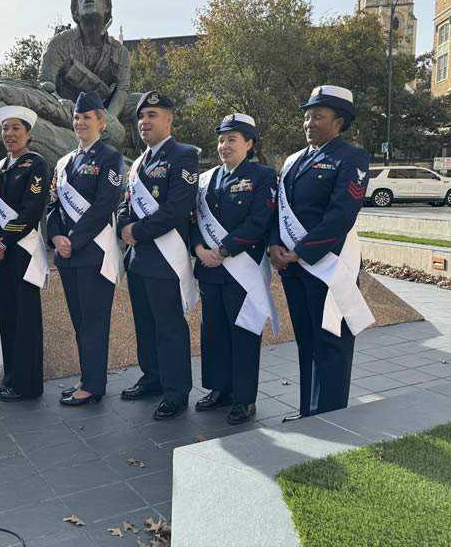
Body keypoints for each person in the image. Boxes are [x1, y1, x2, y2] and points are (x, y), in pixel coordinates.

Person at [268, 85, 374, 421]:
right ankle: (309, 413)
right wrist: (274, 244)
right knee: (307, 341)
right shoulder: (294, 160)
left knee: (331, 342)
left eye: (318, 116)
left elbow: (341, 214)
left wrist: (300, 251)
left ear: (338, 122)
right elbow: (279, 209)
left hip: (327, 265)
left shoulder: (351, 157)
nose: (309, 123)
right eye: (307, 116)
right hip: (294, 268)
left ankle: (330, 417)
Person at [190, 113, 279, 425]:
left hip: (241, 270)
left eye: (231, 139)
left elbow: (259, 220)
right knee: (213, 333)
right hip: (210, 270)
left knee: (243, 334)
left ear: (249, 143)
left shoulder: (262, 175)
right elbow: (194, 219)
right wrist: (199, 248)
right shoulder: (207, 178)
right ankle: (220, 389)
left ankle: (244, 398)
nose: (224, 146)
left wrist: (225, 249)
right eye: (221, 140)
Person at [116, 92, 199, 421]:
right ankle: (152, 378)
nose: (144, 122)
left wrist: (136, 231)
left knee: (169, 328)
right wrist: (124, 226)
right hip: (138, 260)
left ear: (169, 119)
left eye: (152, 115)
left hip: (165, 259)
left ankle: (176, 392)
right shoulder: (138, 163)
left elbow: (177, 209)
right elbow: (125, 204)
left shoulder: (184, 156)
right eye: (141, 116)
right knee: (145, 325)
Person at [47, 91, 123, 406]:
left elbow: (105, 205)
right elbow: (53, 205)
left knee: (94, 323)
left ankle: (93, 385)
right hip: (68, 256)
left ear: (101, 121)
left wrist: (73, 240)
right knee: (80, 323)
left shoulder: (110, 158)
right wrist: (56, 237)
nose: (80, 122)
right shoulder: (65, 162)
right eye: (77, 117)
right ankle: (86, 377)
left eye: (87, 117)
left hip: (93, 254)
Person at [0, 106, 50, 401]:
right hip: (1, 252)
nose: (9, 134)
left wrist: (4, 240)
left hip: (22, 250)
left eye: (15, 128)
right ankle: (11, 377)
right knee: (7, 315)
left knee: (25, 319)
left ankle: (27, 384)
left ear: (28, 133)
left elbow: (31, 210)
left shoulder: (36, 165)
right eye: (5, 128)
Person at [38, 0, 130, 120]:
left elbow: (122, 90)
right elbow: (45, 85)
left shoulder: (120, 52)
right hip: (64, 112)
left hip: (103, 115)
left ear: (106, 7)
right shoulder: (59, 43)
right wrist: (70, 111)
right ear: (76, 10)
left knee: (140, 103)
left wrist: (107, 122)